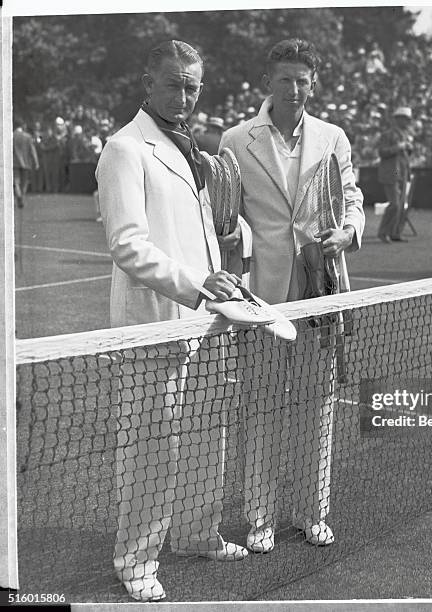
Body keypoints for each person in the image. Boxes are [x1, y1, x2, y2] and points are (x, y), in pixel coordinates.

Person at [96, 40, 248, 603]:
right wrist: (195, 285)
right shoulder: (124, 148)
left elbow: (204, 234)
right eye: (173, 83)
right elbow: (128, 246)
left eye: (192, 85)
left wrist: (233, 245)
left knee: (209, 438)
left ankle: (195, 533)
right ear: (148, 82)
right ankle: (134, 561)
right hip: (155, 324)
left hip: (209, 322)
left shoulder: (193, 151)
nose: (183, 94)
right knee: (150, 450)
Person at [219, 38, 364, 554]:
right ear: (268, 83)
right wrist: (236, 233)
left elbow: (351, 199)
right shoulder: (236, 139)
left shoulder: (333, 136)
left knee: (316, 409)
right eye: (285, 79)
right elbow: (228, 209)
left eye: (303, 80)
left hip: (320, 293)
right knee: (258, 409)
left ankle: (311, 512)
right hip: (261, 297)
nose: (295, 89)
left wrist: (348, 232)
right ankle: (259, 520)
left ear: (313, 84)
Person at [376, 107, 412, 243]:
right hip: (392, 172)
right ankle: (384, 232)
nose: (408, 122)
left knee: (401, 205)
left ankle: (395, 232)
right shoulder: (388, 134)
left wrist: (409, 148)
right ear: (398, 120)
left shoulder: (404, 135)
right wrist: (399, 147)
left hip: (401, 172)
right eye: (405, 119)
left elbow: (404, 156)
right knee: (395, 204)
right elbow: (382, 152)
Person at [13, 119, 39, 209]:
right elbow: (32, 150)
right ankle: (22, 196)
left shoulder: (11, 136)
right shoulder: (28, 137)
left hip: (14, 162)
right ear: (23, 126)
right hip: (26, 162)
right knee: (24, 182)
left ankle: (19, 195)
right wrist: (36, 162)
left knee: (16, 182)